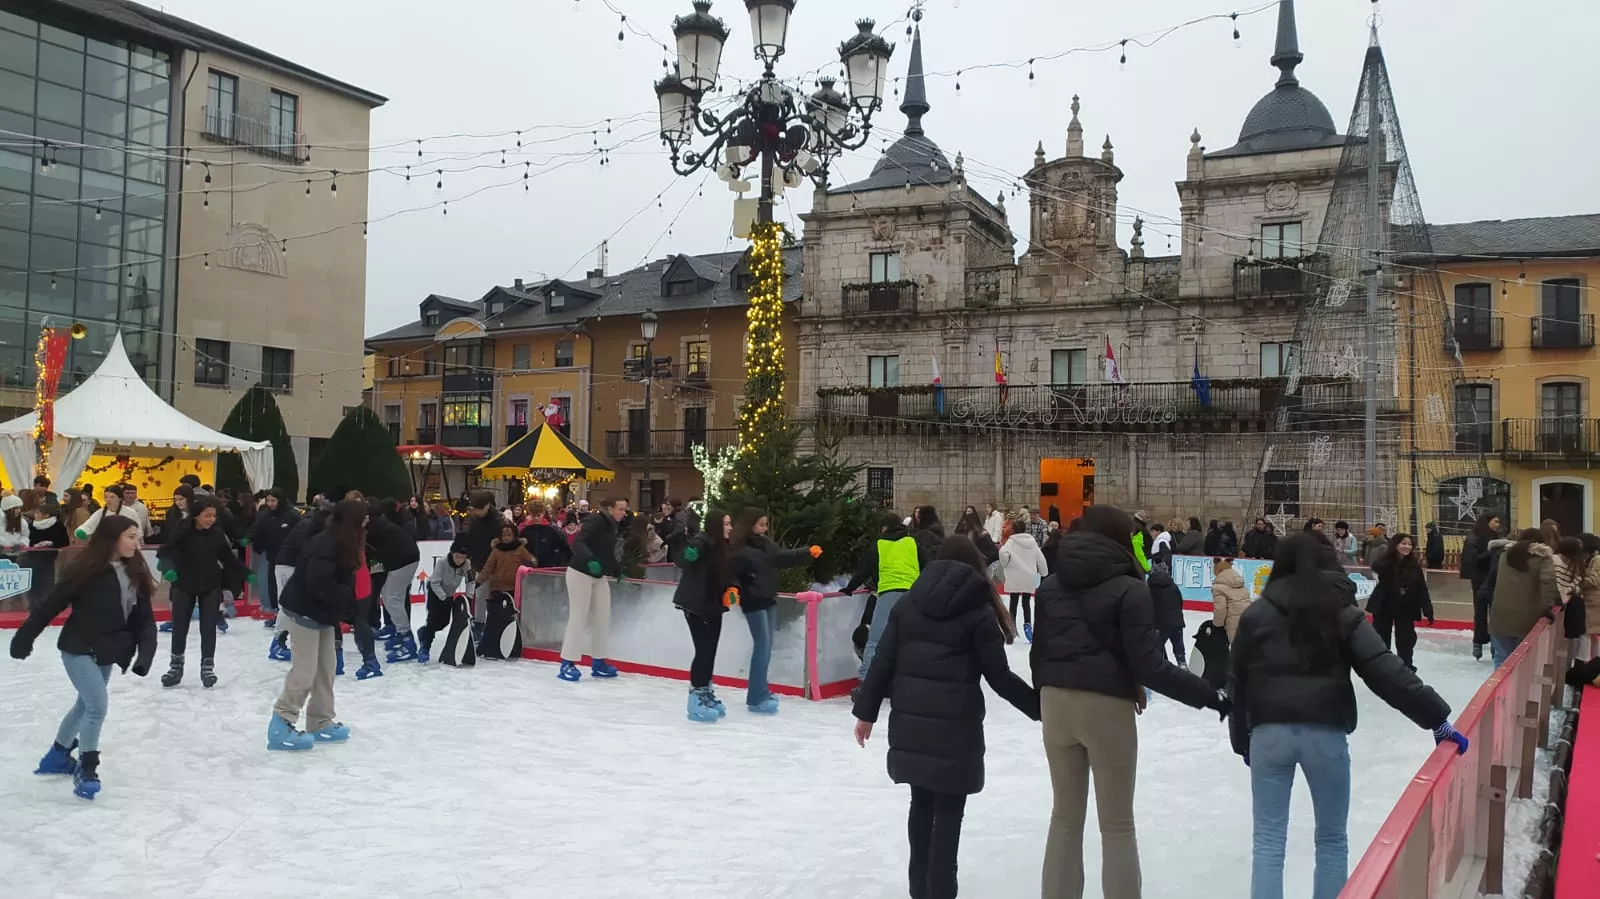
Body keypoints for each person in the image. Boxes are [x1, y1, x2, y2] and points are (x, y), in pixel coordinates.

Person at [1228, 533, 1466, 899]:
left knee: (1269, 840)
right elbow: (1383, 669)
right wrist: (1436, 716)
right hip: (1325, 735)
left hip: (1268, 735)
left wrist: (1243, 741)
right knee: (1331, 839)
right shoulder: (1340, 611)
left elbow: (1237, 681)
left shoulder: (1257, 614)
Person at [1031, 505, 1231, 899]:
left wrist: (1046, 697)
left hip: (1055, 704)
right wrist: (1209, 696)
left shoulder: (1051, 585)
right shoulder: (1129, 588)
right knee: (1117, 825)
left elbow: (1039, 654)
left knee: (1065, 819)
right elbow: (1150, 665)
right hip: (1105, 708)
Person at [852, 535, 1040, 899]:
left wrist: (866, 713)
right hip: (955, 731)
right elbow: (999, 677)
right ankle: (940, 890)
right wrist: (1042, 708)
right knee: (949, 812)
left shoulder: (908, 604)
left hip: (911, 727)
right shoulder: (977, 611)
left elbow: (882, 662)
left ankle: (919, 888)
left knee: (920, 803)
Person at [9, 515, 157, 800]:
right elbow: (50, 605)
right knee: (97, 705)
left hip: (108, 648)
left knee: (85, 704)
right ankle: (87, 769)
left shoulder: (135, 569)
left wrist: (144, 656)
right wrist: (24, 638)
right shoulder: (85, 570)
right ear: (112, 538)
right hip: (78, 646)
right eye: (130, 536)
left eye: (137, 536)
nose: (136, 542)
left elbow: (144, 619)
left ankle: (58, 755)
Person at [268, 499, 367, 751]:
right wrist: (346, 598)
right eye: (364, 518)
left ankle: (320, 720)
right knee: (305, 671)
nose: (368, 522)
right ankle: (281, 723)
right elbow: (318, 582)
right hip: (304, 612)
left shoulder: (343, 542)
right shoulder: (328, 543)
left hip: (322, 614)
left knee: (326, 668)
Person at [156, 495, 250, 688]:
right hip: (184, 585)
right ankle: (176, 667)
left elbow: (228, 558)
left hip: (210, 585)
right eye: (207, 515)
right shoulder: (182, 531)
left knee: (208, 628)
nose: (211, 519)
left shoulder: (216, 534)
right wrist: (169, 568)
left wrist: (246, 573)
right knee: (180, 627)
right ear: (197, 515)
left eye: (214, 516)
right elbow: (165, 552)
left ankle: (207, 667)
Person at [732, 509, 820, 715]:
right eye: (761, 524)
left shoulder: (765, 545)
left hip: (768, 598)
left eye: (765, 524)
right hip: (753, 600)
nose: (764, 529)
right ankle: (756, 696)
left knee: (767, 646)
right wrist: (733, 590)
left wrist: (807, 553)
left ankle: (761, 690)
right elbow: (733, 575)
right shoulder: (740, 550)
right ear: (750, 524)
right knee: (762, 646)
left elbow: (783, 557)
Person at [843, 511, 929, 683]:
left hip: (889, 593)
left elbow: (865, 569)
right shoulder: (912, 542)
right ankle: (911, 680)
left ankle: (866, 681)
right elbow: (926, 565)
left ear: (884, 527)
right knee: (909, 639)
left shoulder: (880, 544)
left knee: (875, 639)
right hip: (912, 596)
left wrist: (849, 588)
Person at [674, 510, 738, 722]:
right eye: (726, 524)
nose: (730, 528)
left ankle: (706, 691)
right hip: (696, 604)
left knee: (711, 650)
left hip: (713, 604)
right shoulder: (703, 540)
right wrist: (688, 554)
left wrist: (732, 588)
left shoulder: (724, 548)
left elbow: (731, 573)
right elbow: (686, 555)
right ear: (715, 525)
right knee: (703, 650)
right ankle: (696, 699)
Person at [559, 497, 626, 682]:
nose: (623, 512)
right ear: (610, 508)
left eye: (624, 509)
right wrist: (590, 560)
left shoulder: (613, 525)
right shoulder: (594, 521)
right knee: (578, 616)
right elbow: (578, 542)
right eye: (620, 509)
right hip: (580, 572)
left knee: (603, 615)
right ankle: (567, 662)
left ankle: (598, 660)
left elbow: (606, 550)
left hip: (598, 575)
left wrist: (616, 569)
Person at [1488, 529, 1561, 668]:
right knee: (1524, 660)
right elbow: (1548, 583)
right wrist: (1547, 607)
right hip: (1527, 617)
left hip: (1500, 614)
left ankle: (1503, 689)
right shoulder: (1542, 559)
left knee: (1501, 656)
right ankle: (1518, 690)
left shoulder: (1505, 555)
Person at [365, 502, 422, 666]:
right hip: (404, 558)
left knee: (391, 598)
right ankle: (400, 632)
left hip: (403, 560)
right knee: (392, 596)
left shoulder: (373, 526)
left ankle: (407, 640)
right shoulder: (378, 524)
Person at [1367, 533, 1434, 672]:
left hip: (1406, 607)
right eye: (1403, 543)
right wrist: (1392, 561)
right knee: (1381, 638)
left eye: (1409, 544)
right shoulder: (1385, 562)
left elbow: (1422, 588)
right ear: (1395, 545)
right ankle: (1382, 667)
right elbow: (1376, 569)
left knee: (1406, 640)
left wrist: (1428, 610)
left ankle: (1406, 668)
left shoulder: (1414, 566)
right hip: (1385, 606)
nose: (1407, 546)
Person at [417, 536, 474, 664]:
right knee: (433, 620)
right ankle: (425, 648)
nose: (460, 560)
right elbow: (435, 583)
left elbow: (471, 581)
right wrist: (443, 598)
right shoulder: (442, 563)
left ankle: (423, 632)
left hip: (448, 595)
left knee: (443, 622)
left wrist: (469, 596)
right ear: (452, 553)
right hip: (435, 592)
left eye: (463, 558)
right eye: (457, 556)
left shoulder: (467, 564)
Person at [998, 514, 1048, 643]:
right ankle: (1027, 624)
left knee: (1013, 601)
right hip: (1029, 576)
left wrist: (1005, 563)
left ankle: (1011, 626)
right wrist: (1043, 572)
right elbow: (1040, 557)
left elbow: (1003, 552)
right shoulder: (1032, 542)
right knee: (1026, 602)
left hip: (1015, 575)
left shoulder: (1011, 541)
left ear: (1013, 529)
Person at [1458, 515, 1502, 659]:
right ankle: (1478, 642)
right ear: (1487, 522)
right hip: (1480, 579)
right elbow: (1472, 560)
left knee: (1495, 611)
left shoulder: (1496, 537)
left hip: (1494, 578)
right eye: (1495, 521)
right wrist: (1490, 551)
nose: (1498, 524)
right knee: (1481, 611)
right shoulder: (1474, 538)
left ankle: (1495, 645)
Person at [24, 495, 70, 611]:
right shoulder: (31, 526)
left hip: (49, 560)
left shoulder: (58, 526)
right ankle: (33, 606)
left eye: (38, 513)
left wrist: (51, 543)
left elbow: (64, 542)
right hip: (32, 559)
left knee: (47, 584)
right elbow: (27, 540)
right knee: (32, 584)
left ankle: (46, 607)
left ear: (46, 515)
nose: (35, 515)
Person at [478, 521, 533, 601]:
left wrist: (530, 563)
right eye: (504, 535)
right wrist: (479, 581)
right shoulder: (496, 550)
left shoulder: (520, 549)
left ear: (514, 536)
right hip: (498, 587)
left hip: (515, 587)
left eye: (509, 535)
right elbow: (488, 567)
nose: (506, 537)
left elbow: (530, 561)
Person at [1148, 560, 1187, 665]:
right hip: (1176, 623)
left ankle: (1161, 668)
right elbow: (1180, 603)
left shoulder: (1150, 588)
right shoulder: (1173, 586)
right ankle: (1182, 665)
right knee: (1179, 649)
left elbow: (1148, 607)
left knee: (1157, 650)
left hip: (1159, 625)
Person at [1211, 556, 1250, 643]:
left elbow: (1220, 609)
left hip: (1234, 625)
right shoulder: (1240, 583)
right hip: (1248, 621)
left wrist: (1217, 625)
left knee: (1238, 653)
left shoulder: (1218, 586)